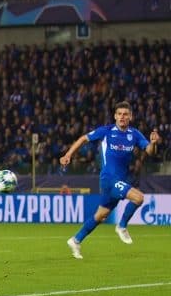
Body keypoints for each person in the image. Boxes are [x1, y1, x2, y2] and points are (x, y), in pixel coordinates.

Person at [60, 101, 161, 259]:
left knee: (100, 216)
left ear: (130, 117)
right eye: (119, 114)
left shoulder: (134, 134)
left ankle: (76, 240)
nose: (122, 117)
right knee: (139, 198)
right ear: (115, 116)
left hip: (119, 181)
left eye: (125, 114)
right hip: (108, 178)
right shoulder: (106, 131)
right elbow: (83, 139)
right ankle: (121, 226)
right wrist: (68, 155)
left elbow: (150, 151)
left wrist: (154, 144)